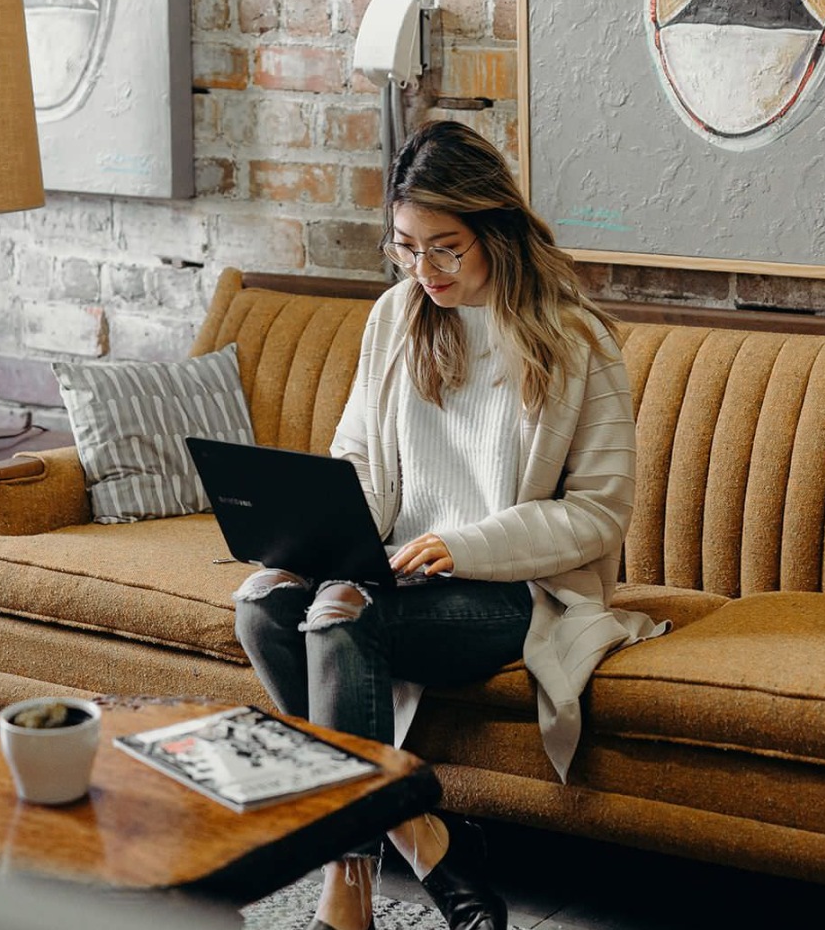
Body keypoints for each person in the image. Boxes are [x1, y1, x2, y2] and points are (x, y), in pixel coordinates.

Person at [230, 120, 665, 930]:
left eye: (446, 248)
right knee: (261, 601)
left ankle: (346, 891)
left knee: (338, 618)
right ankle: (422, 831)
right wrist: (325, 537)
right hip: (395, 571)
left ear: (495, 229)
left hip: (512, 590)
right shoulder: (396, 318)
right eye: (405, 247)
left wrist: (461, 546)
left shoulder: (577, 341)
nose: (423, 270)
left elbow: (599, 514)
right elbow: (357, 458)